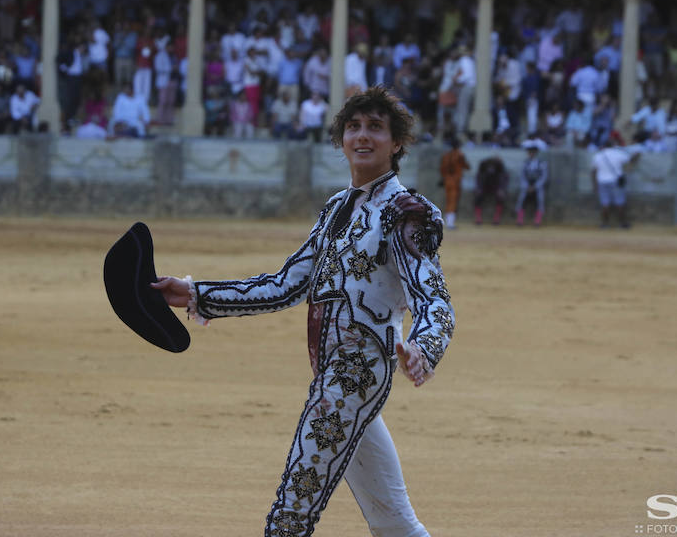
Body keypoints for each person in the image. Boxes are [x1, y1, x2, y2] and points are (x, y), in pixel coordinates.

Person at [150, 87, 454, 537]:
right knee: (394, 521)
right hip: (332, 371)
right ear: (341, 139)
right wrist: (196, 294)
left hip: (355, 375)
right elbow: (285, 285)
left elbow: (434, 300)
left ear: (397, 143)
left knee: (291, 510)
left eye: (375, 127)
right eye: (354, 127)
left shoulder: (406, 213)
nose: (362, 136)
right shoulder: (335, 210)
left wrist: (424, 347)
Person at [591, 138, 640, 228]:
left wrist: (594, 185)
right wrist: (637, 155)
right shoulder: (618, 154)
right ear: (613, 145)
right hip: (615, 181)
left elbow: (594, 171)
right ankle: (622, 223)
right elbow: (630, 159)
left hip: (602, 181)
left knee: (605, 203)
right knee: (619, 202)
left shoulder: (598, 156)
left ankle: (605, 224)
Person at [516, 138, 549, 227]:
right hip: (527, 185)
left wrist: (536, 186)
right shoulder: (525, 163)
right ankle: (520, 220)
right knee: (521, 200)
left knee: (540, 200)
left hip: (537, 185)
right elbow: (522, 176)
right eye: (529, 152)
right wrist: (527, 186)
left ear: (536, 152)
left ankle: (537, 221)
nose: (531, 153)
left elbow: (544, 176)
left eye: (532, 152)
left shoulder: (542, 163)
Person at [439, 138, 470, 229]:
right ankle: (450, 223)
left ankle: (449, 220)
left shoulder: (446, 155)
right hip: (455, 181)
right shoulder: (460, 155)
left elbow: (442, 169)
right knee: (452, 201)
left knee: (448, 200)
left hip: (447, 180)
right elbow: (467, 166)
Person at [473, 155, 509, 225]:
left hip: (496, 187)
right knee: (478, 198)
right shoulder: (483, 165)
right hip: (484, 186)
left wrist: (501, 189)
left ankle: (496, 218)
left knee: (501, 198)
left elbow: (504, 179)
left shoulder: (500, 168)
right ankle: (478, 218)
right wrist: (478, 188)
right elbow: (479, 178)